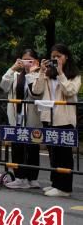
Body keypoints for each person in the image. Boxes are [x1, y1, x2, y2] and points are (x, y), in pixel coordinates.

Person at [31, 44, 80, 197]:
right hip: (48, 117)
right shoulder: (47, 74)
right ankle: (55, 184)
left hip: (64, 118)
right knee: (53, 153)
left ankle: (64, 188)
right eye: (53, 57)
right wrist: (41, 72)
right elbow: (36, 92)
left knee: (64, 154)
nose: (55, 59)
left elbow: (70, 91)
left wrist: (60, 73)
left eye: (58, 56)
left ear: (66, 57)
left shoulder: (75, 75)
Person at [0, 49, 42, 189]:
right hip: (16, 115)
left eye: (30, 60)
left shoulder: (40, 74)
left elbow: (36, 94)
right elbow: (4, 86)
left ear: (36, 61)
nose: (27, 63)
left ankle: (32, 178)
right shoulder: (16, 74)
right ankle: (19, 177)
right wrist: (12, 69)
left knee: (33, 147)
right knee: (17, 146)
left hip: (32, 116)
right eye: (25, 60)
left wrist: (31, 73)